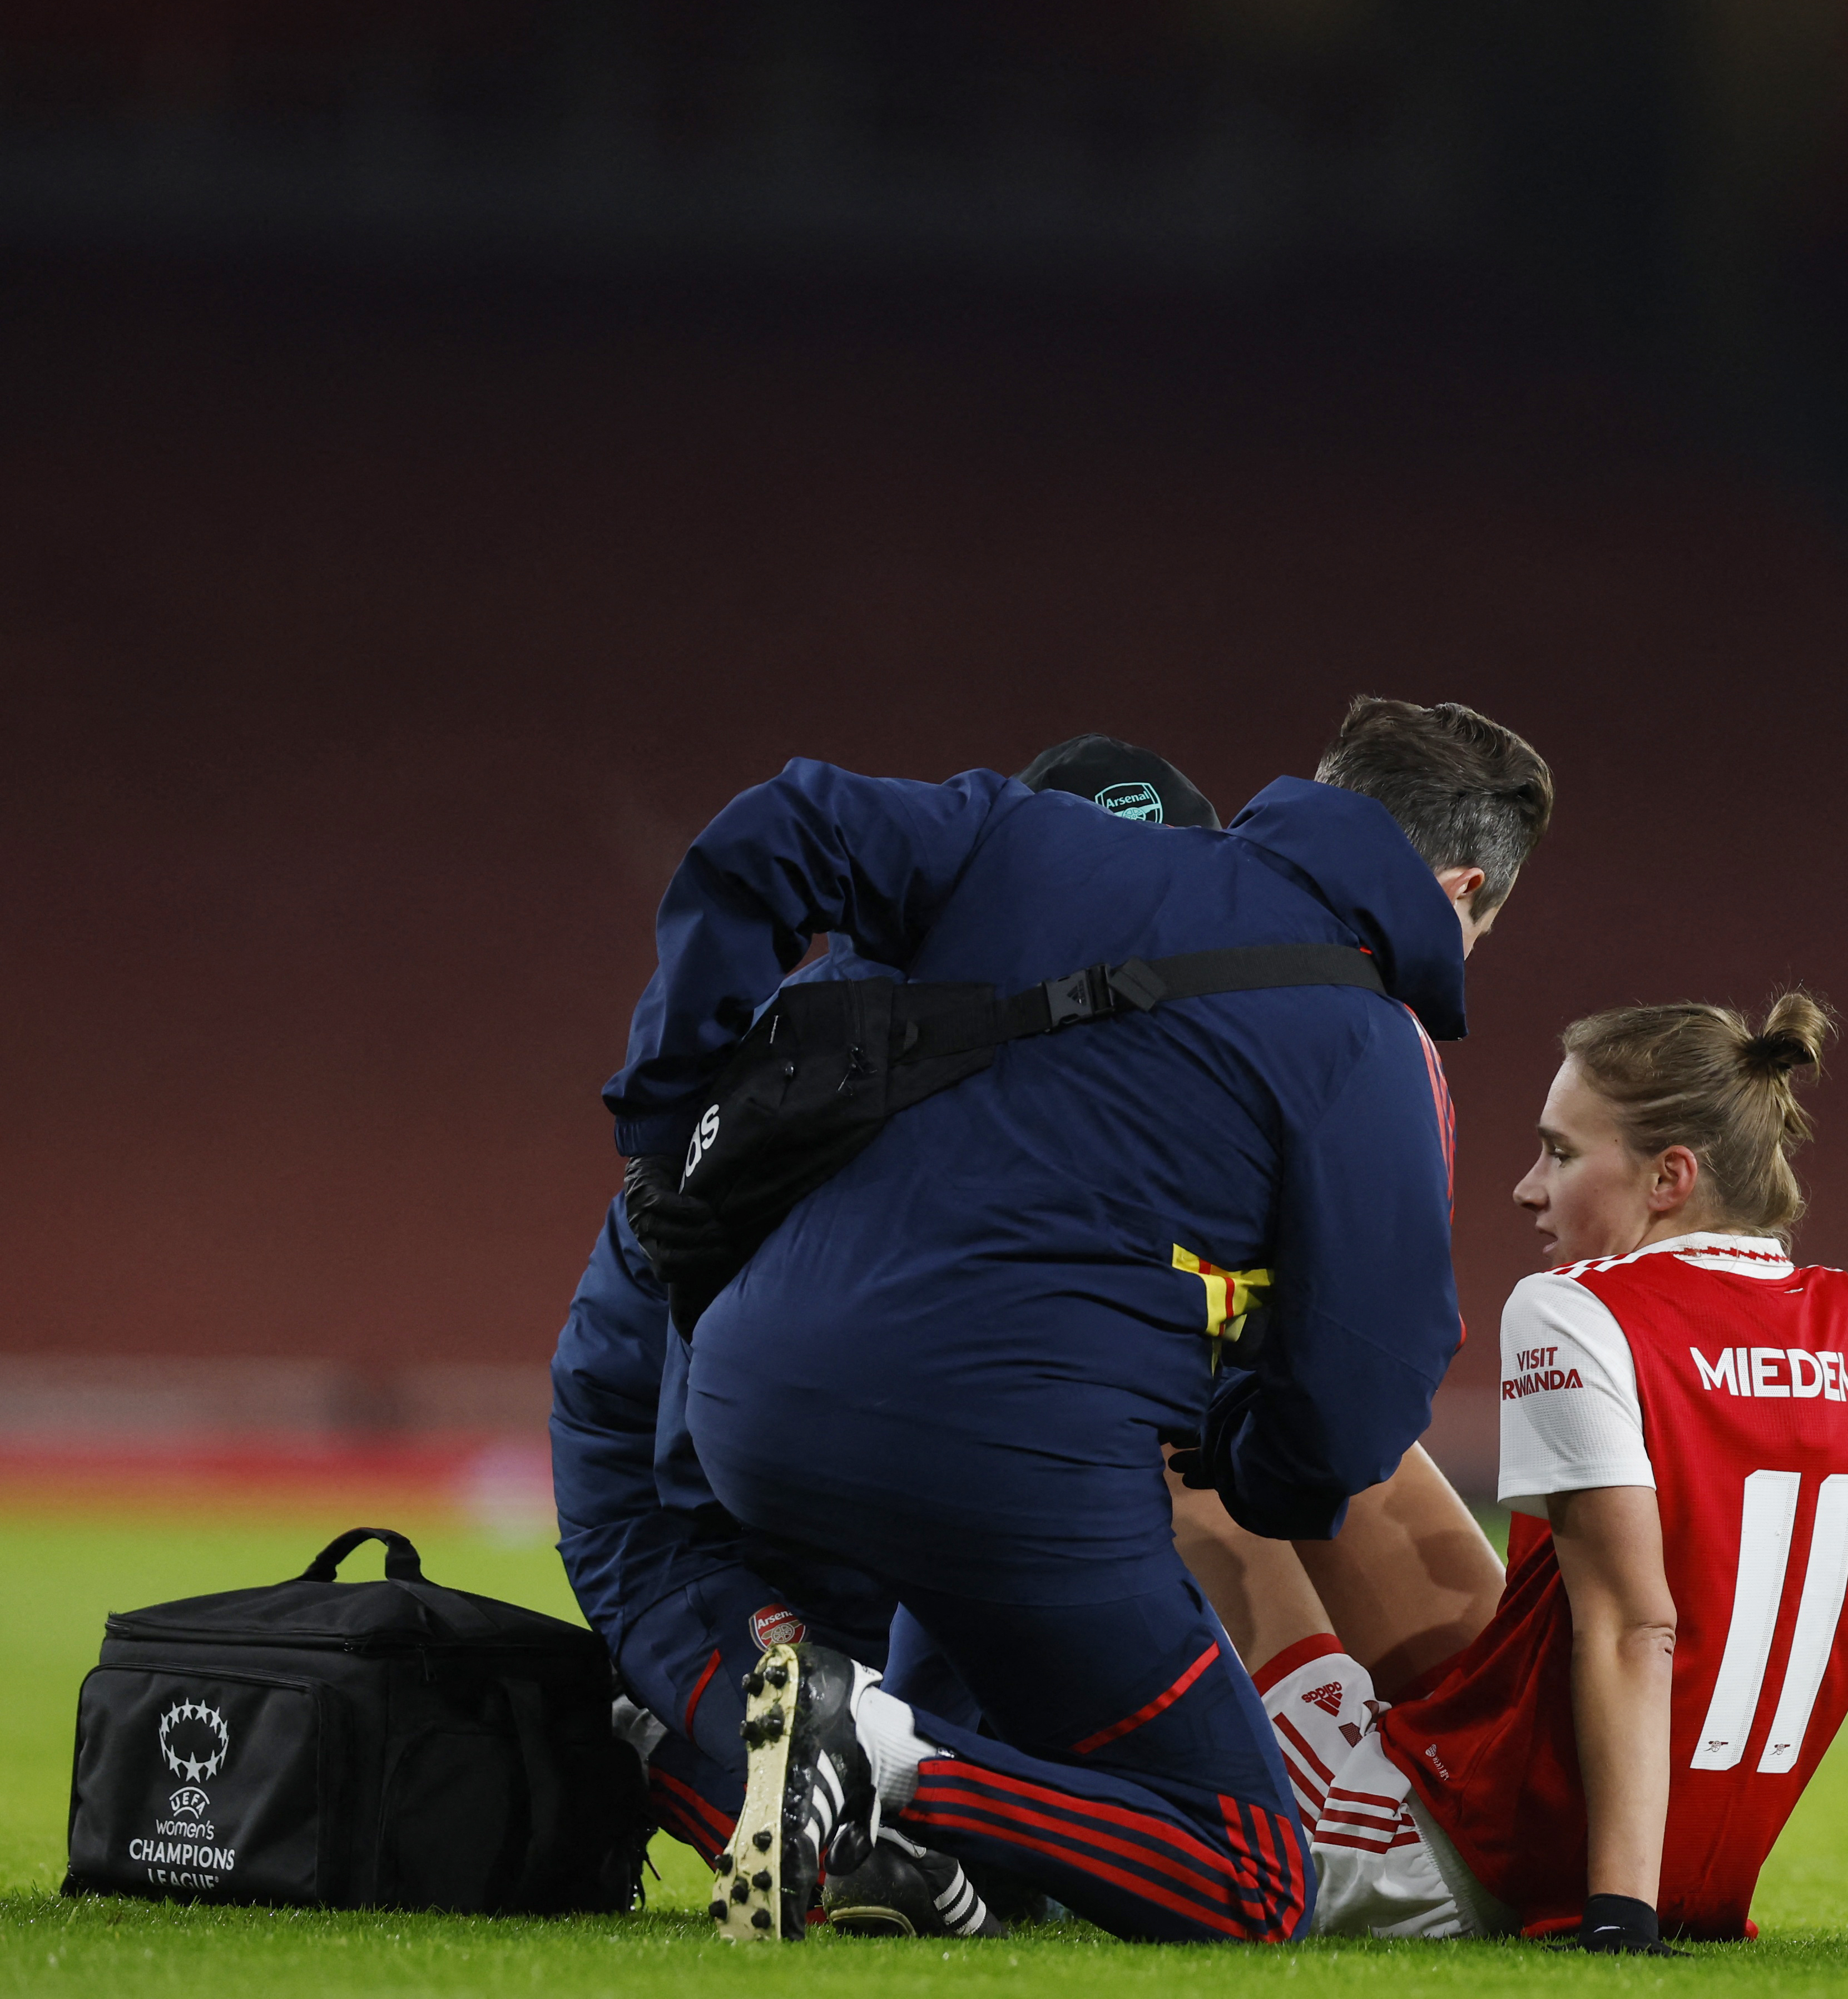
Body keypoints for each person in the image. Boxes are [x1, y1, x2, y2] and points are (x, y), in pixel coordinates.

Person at [599, 696, 1549, 1944]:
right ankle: (874, 1747)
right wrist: (1250, 1466)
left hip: (748, 1404)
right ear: (1462, 886)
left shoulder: (1030, 838)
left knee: (1004, 1725)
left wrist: (662, 1127)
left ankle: (711, 1760)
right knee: (1251, 1877)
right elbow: (1365, 1379)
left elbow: (781, 827)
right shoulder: (1371, 1044)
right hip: (1011, 1465)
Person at [1188, 996, 1848, 1951]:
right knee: (1334, 1436)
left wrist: (1615, 1919)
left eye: (1561, 1154)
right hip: (1694, 1878)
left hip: (1450, 1863)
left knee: (1182, 1446)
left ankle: (1053, 1816)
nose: (1529, 1187)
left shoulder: (1577, 1308)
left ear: (1669, 1178)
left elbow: (1633, 1627)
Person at [548, 734, 1223, 1936]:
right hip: (697, 1522)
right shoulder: (843, 1047)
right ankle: (667, 1736)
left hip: (893, 1515)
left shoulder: (1083, 1061)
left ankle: (841, 1782)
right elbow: (685, 1456)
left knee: (988, 1836)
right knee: (834, 1759)